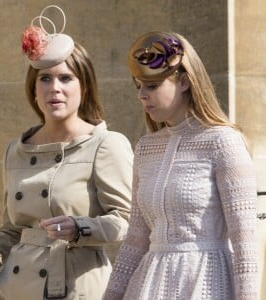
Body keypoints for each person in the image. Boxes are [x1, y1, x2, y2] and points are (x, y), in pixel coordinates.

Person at [0, 5, 133, 300]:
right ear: (33, 90)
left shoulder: (106, 144)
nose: (54, 88)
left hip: (75, 289)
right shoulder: (16, 150)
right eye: (45, 78)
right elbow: (12, 230)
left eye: (66, 78)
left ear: (84, 87)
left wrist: (80, 228)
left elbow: (126, 221)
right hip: (14, 289)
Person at [103, 31, 258, 299]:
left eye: (151, 86)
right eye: (138, 86)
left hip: (207, 283)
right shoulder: (145, 148)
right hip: (149, 285)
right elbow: (136, 239)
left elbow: (245, 240)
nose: (141, 95)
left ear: (184, 82)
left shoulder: (223, 142)